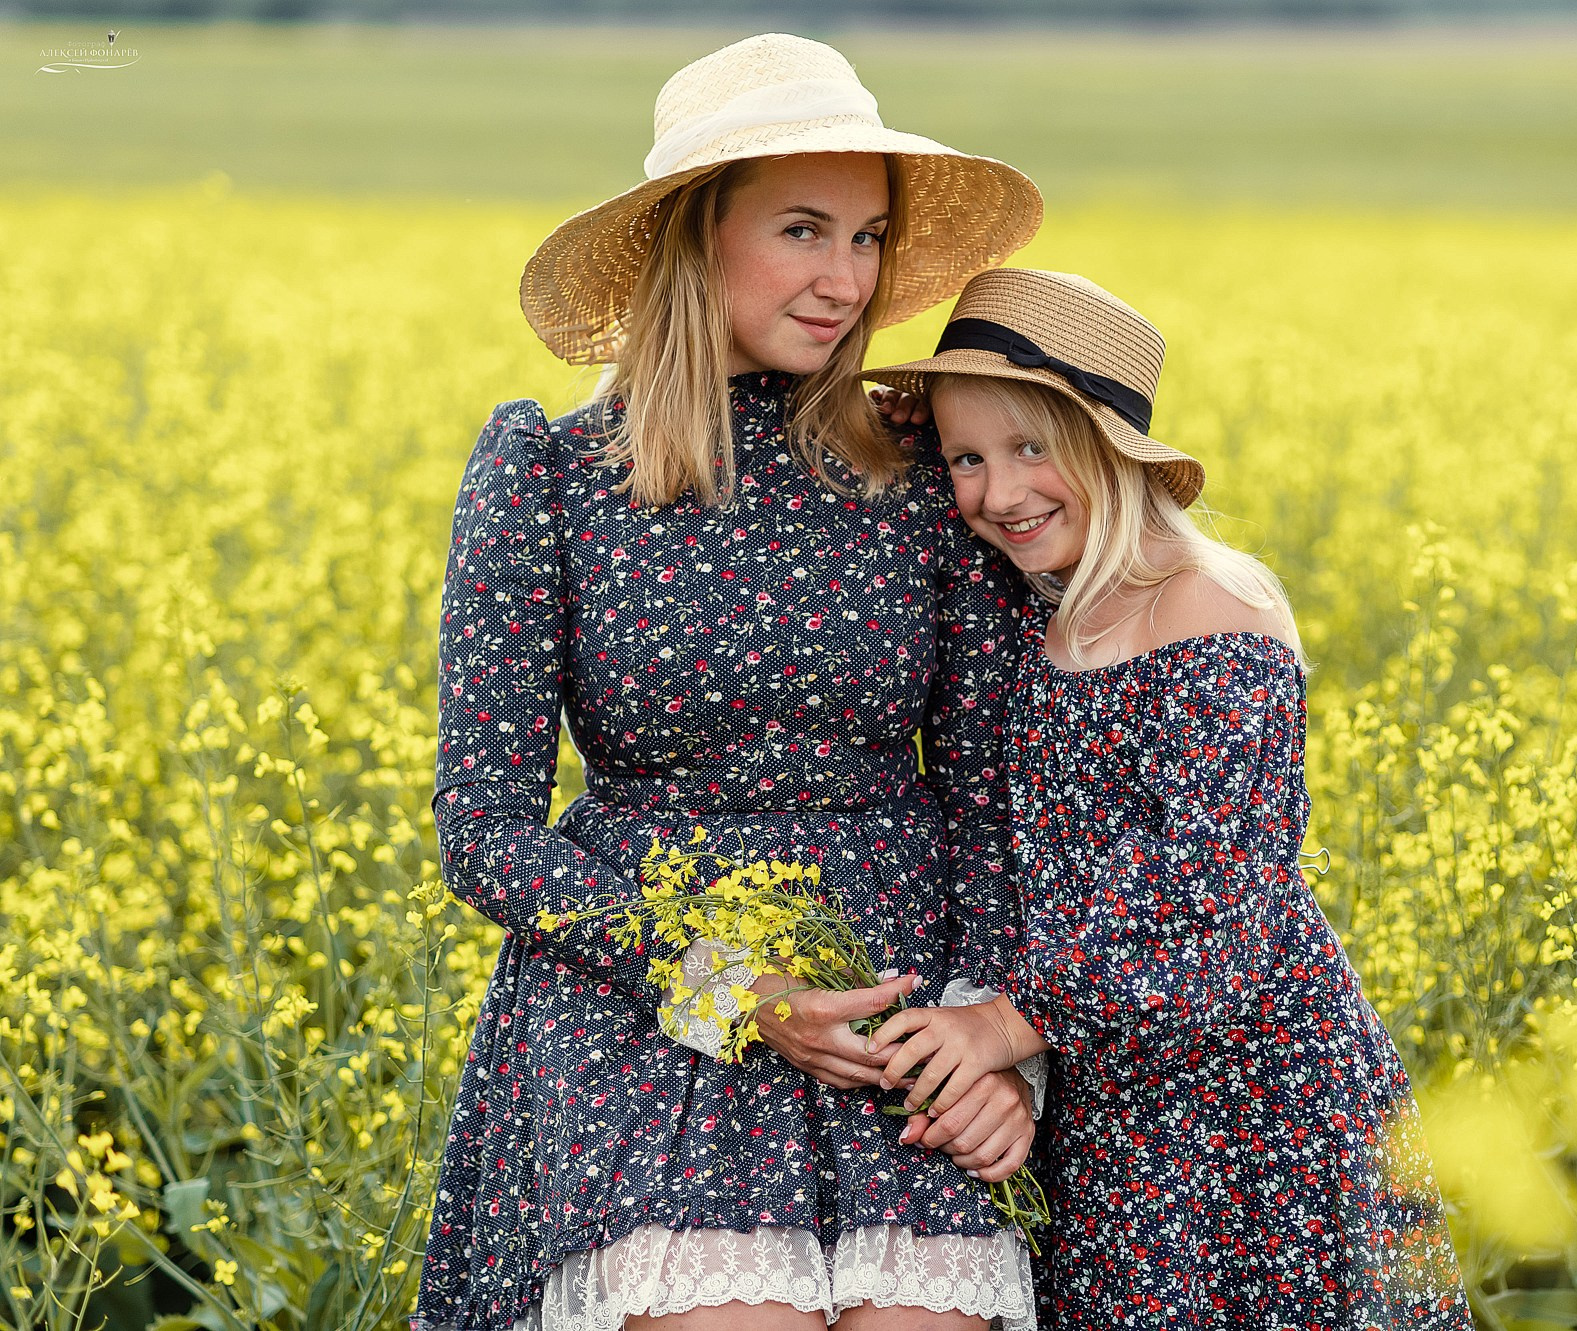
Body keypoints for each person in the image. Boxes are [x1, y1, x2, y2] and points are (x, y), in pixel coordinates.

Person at [415, 34, 1052, 1331]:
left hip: (895, 1014)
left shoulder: (923, 467)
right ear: (692, 237)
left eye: (868, 238)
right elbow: (481, 827)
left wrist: (991, 1037)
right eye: (803, 229)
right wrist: (729, 990)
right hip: (648, 1010)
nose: (846, 280)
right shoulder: (550, 474)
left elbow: (993, 796)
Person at [860, 269, 1474, 1330]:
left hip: (1252, 1100)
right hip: (1113, 1097)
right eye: (968, 458)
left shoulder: (1210, 613)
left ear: (1112, 448)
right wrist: (916, 440)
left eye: (1032, 447)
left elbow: (1210, 907)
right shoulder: (1047, 603)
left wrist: (1005, 1022)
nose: (999, 493)